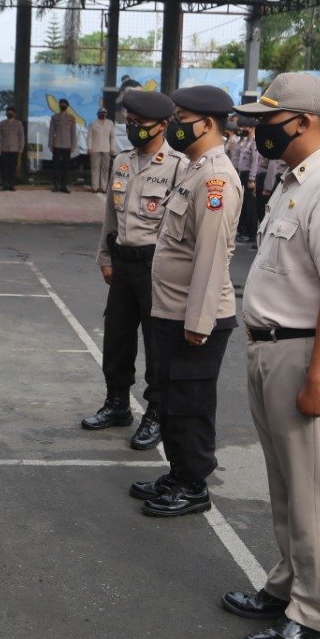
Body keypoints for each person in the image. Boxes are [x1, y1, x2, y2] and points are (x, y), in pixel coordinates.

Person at [223, 72, 320, 639]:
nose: (258, 129)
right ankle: (286, 586)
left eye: (268, 119)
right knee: (286, 485)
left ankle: (313, 615)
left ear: (305, 120)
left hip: (306, 354)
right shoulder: (294, 181)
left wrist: (318, 379)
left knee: (312, 491)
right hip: (271, 348)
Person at [129, 86, 240, 517]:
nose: (174, 123)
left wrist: (199, 320)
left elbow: (212, 256)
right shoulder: (195, 170)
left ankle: (194, 485)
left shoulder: (216, 179)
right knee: (172, 399)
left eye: (181, 116)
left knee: (191, 404)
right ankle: (177, 473)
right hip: (171, 309)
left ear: (207, 124)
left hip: (194, 317)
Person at [86, 89, 187, 448]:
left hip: (155, 267)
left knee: (158, 344)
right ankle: (117, 403)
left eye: (139, 123)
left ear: (162, 125)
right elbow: (110, 217)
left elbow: (179, 229)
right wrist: (105, 257)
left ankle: (156, 412)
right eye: (128, 121)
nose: (132, 127)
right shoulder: (123, 161)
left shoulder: (178, 166)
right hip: (123, 264)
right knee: (117, 336)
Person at [230, 115, 261, 242]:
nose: (241, 129)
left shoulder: (254, 142)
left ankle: (251, 233)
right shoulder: (244, 141)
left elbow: (255, 161)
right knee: (244, 204)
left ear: (251, 128)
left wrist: (252, 179)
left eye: (244, 127)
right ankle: (243, 230)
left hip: (249, 174)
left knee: (250, 205)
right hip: (242, 174)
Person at [48, 98, 77, 193]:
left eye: (64, 104)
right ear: (59, 106)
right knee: (56, 166)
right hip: (57, 145)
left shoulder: (71, 118)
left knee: (65, 167)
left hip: (67, 145)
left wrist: (73, 146)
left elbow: (73, 133)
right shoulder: (54, 117)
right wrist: (51, 145)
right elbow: (51, 132)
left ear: (67, 107)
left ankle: (64, 185)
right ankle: (56, 185)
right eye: (61, 104)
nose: (63, 106)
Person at [87, 108, 116, 193]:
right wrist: (89, 148)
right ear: (98, 114)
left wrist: (112, 148)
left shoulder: (110, 123)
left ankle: (103, 187)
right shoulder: (93, 123)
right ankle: (95, 187)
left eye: (104, 113)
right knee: (95, 168)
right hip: (95, 149)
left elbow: (113, 137)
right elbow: (90, 137)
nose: (103, 114)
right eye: (101, 113)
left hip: (107, 149)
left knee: (105, 169)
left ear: (106, 114)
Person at [0, 105, 25, 191]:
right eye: (8, 111)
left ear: (15, 114)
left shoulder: (18, 124)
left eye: (11, 111)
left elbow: (21, 137)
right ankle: (5, 184)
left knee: (12, 167)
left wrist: (21, 149)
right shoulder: (2, 124)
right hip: (4, 149)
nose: (9, 113)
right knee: (5, 167)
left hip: (14, 149)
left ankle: (12, 184)